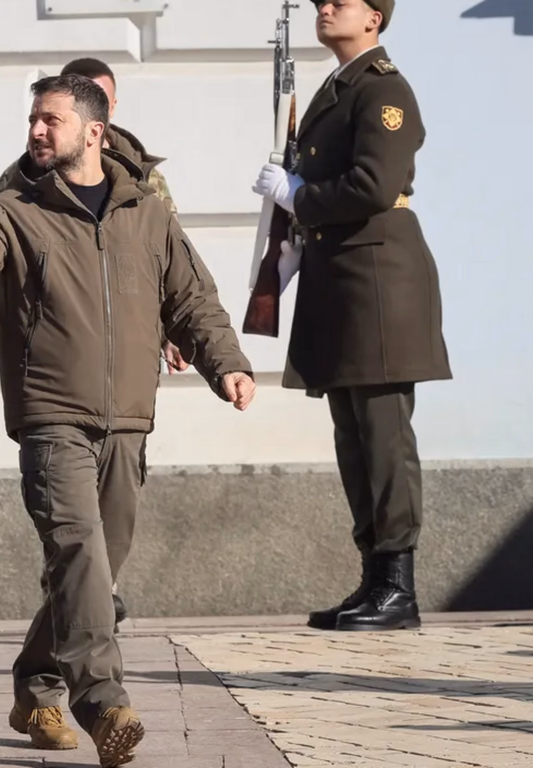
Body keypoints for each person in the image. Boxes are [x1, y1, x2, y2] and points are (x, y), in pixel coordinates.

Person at [0, 74, 255, 767]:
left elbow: (192, 298)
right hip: (51, 418)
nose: (37, 131)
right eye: (33, 120)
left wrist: (225, 363)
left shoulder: (147, 213)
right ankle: (105, 703)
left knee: (93, 572)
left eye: (51, 120)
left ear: (94, 133)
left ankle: (37, 682)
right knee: (78, 551)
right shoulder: (17, 209)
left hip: (129, 421)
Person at [251, 0, 451, 632]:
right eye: (319, 2)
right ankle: (373, 577)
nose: (325, 7)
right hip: (342, 279)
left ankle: (399, 585)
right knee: (352, 435)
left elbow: (372, 183)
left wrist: (299, 195)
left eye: (341, 0)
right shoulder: (334, 91)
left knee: (384, 434)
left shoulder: (384, 90)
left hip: (378, 281)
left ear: (375, 17)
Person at [0, 56, 184, 632]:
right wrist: (12, 334)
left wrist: (170, 333)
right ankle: (95, 671)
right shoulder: (20, 186)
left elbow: (167, 272)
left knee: (110, 521)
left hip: (126, 388)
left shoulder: (144, 183)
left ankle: (63, 637)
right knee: (70, 526)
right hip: (53, 382)